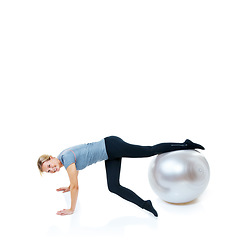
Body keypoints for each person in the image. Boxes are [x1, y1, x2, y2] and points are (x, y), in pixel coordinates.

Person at [37, 136, 204, 217]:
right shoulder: (63, 157)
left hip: (111, 147)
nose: (52, 170)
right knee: (114, 186)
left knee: (149, 151)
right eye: (49, 171)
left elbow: (75, 186)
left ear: (51, 157)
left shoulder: (65, 158)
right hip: (108, 153)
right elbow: (76, 170)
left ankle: (185, 144)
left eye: (50, 166)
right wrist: (68, 186)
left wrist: (71, 209)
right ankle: (146, 204)